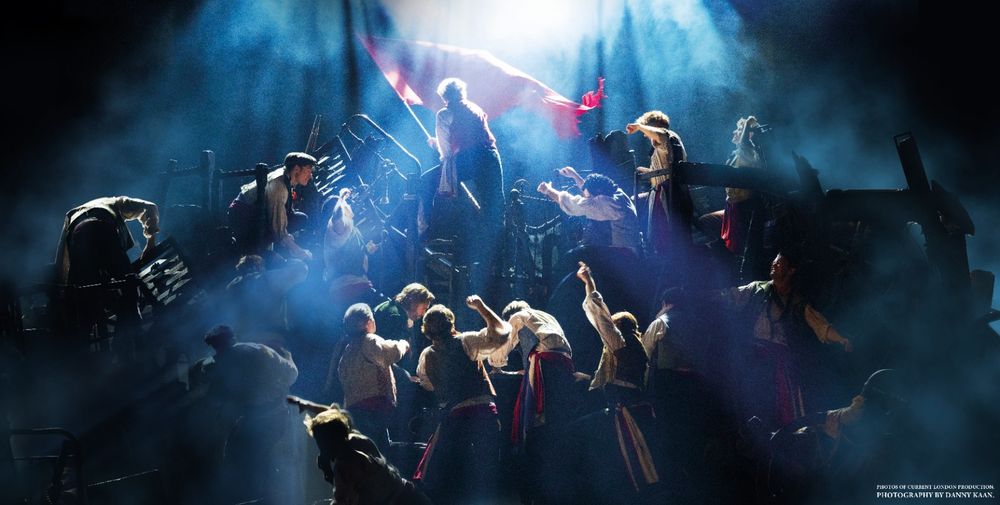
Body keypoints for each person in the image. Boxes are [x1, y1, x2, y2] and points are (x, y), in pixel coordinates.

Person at [718, 251, 853, 430]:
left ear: (791, 270)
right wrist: (705, 296)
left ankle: (791, 435)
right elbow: (731, 296)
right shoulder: (757, 289)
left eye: (779, 263)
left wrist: (841, 339)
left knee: (786, 407)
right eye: (774, 262)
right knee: (746, 398)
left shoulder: (796, 301)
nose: (773, 265)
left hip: (779, 362)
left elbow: (818, 323)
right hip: (753, 356)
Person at [570, 261, 661, 502]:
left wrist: (589, 283)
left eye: (615, 324)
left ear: (620, 327)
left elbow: (601, 319)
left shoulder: (624, 343)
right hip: (628, 407)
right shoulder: (633, 346)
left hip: (625, 411)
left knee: (582, 435)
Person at [413, 296, 511, 505]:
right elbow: (501, 334)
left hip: (454, 417)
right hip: (483, 413)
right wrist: (481, 307)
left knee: (446, 475)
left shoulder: (426, 356)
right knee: (487, 472)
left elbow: (427, 384)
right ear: (452, 324)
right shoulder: (466, 342)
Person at [488, 300, 576, 504]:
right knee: (555, 419)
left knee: (533, 419)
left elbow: (503, 345)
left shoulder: (517, 317)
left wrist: (495, 363)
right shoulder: (547, 317)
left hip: (544, 362)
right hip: (565, 365)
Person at [199, 325, 299, 503]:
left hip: (263, 419)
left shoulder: (222, 361)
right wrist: (287, 357)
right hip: (272, 416)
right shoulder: (260, 350)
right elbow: (291, 374)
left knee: (245, 460)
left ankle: (259, 497)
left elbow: (214, 396)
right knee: (254, 462)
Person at [426, 78, 505, 294]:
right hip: (491, 156)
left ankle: (457, 245)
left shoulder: (444, 113)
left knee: (452, 199)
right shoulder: (475, 108)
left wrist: (437, 146)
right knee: (495, 206)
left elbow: (446, 151)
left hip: (469, 159)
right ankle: (497, 252)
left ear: (444, 97)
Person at [53, 195, 160, 328]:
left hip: (79, 238)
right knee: (128, 281)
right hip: (101, 229)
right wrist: (150, 242)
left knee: (89, 293)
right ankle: (132, 326)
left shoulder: (71, 215)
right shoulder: (115, 202)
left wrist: (63, 289)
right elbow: (150, 207)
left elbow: (62, 256)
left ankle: (91, 331)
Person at [297, 402, 431, 505]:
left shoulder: (346, 461)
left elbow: (345, 499)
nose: (319, 446)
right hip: (410, 495)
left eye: (320, 440)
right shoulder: (356, 441)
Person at [337, 303, 410, 452]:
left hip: (354, 409)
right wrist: (404, 345)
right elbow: (388, 353)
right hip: (373, 406)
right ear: (368, 322)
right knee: (377, 451)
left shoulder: (348, 350)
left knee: (365, 449)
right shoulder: (369, 340)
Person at [626, 110, 691, 258]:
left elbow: (660, 134)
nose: (645, 135)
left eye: (646, 131)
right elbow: (663, 169)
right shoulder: (662, 146)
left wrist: (639, 126)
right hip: (666, 190)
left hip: (669, 194)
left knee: (667, 238)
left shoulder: (667, 136)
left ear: (653, 126)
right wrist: (646, 171)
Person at [228, 152, 316, 261]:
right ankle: (259, 251)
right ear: (297, 169)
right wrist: (297, 250)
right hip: (244, 216)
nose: (310, 175)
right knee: (283, 230)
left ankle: (274, 250)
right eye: (308, 171)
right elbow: (277, 222)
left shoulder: (287, 177)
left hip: (257, 213)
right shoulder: (279, 186)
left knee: (300, 218)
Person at [699, 116, 765, 257]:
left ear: (748, 135)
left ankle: (729, 257)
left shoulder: (749, 151)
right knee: (706, 221)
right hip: (732, 206)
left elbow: (744, 144)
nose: (734, 132)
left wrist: (747, 124)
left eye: (738, 130)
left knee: (734, 244)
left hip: (743, 207)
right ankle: (722, 251)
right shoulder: (737, 154)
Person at [537, 168, 640, 253]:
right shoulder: (617, 192)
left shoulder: (606, 203)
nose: (587, 198)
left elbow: (572, 204)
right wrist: (574, 175)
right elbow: (590, 194)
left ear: (598, 193)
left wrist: (548, 190)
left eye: (589, 197)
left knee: (570, 257)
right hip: (627, 249)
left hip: (623, 254)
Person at [224, 254, 308, 349]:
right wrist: (285, 261)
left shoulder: (232, 285)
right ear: (257, 267)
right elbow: (301, 270)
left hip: (241, 338)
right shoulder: (264, 279)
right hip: (269, 337)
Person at [373, 283, 436, 372]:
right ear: (414, 302)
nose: (423, 314)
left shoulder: (389, 307)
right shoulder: (396, 317)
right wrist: (405, 376)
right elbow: (392, 355)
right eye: (424, 308)